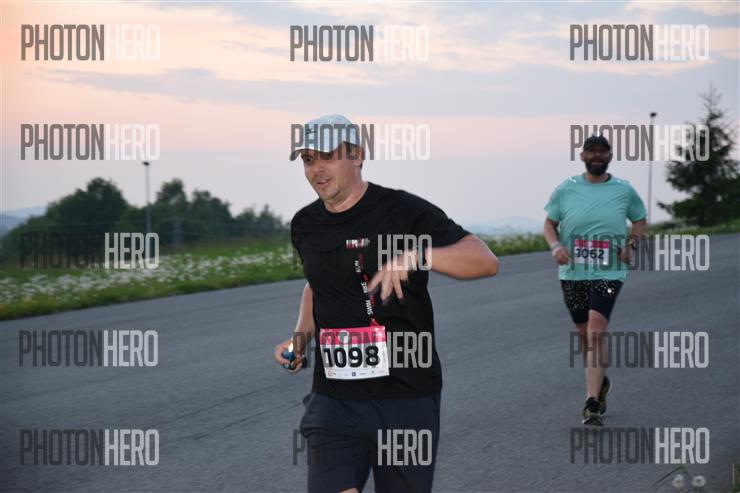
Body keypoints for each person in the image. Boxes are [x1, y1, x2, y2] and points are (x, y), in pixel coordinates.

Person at [274, 114, 499, 492]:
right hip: (334, 397)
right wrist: (300, 337)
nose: (316, 169)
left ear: (358, 155)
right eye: (308, 160)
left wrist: (420, 255)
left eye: (327, 156)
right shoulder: (305, 225)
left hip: (405, 396)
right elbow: (318, 284)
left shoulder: (403, 211)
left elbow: (484, 260)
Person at [543, 133, 647, 426]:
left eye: (602, 151)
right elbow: (549, 224)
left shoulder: (624, 190)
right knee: (584, 332)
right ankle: (600, 381)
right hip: (573, 273)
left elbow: (640, 219)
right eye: (592, 151)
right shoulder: (566, 189)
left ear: (610, 156)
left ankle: (591, 402)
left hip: (609, 271)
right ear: (583, 156)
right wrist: (556, 246)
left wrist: (631, 245)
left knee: (596, 331)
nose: (597, 156)